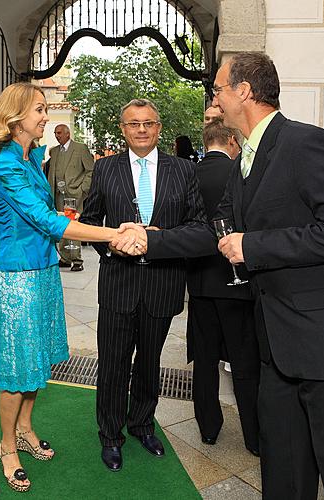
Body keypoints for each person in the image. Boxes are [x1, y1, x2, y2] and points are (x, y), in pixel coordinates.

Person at [190, 51, 324, 499]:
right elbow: (214, 231)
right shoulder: (247, 157)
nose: (214, 99)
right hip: (278, 350)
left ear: (244, 91)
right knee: (283, 478)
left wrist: (253, 246)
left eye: (219, 88)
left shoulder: (306, 143)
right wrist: (147, 238)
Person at [0, 82, 144, 492]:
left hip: (44, 270)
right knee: (18, 367)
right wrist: (112, 234)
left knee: (37, 359)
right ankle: (6, 445)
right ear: (17, 116)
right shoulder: (4, 166)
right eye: (39, 109)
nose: (45, 116)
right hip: (16, 277)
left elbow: (50, 214)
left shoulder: (31, 156)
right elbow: (48, 221)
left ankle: (24, 427)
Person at [79, 98, 208, 472]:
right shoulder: (106, 170)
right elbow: (89, 224)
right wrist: (114, 246)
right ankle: (110, 435)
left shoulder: (184, 170)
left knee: (150, 362)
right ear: (123, 129)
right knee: (114, 363)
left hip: (163, 283)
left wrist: (160, 238)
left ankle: (141, 424)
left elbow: (199, 227)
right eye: (133, 123)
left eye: (148, 123)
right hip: (119, 282)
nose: (141, 129)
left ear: (159, 128)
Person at [186, 120, 259, 455]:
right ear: (232, 140)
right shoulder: (241, 172)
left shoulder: (189, 174)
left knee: (204, 360)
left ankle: (209, 429)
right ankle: (254, 436)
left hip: (200, 282)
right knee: (244, 363)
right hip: (237, 282)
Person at [47, 124, 95, 271]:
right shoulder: (54, 151)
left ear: (68, 134)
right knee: (60, 225)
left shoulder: (80, 149)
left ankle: (77, 260)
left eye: (59, 132)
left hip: (75, 196)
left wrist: (83, 190)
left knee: (73, 226)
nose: (57, 135)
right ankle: (65, 258)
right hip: (57, 196)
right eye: (55, 133)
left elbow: (91, 171)